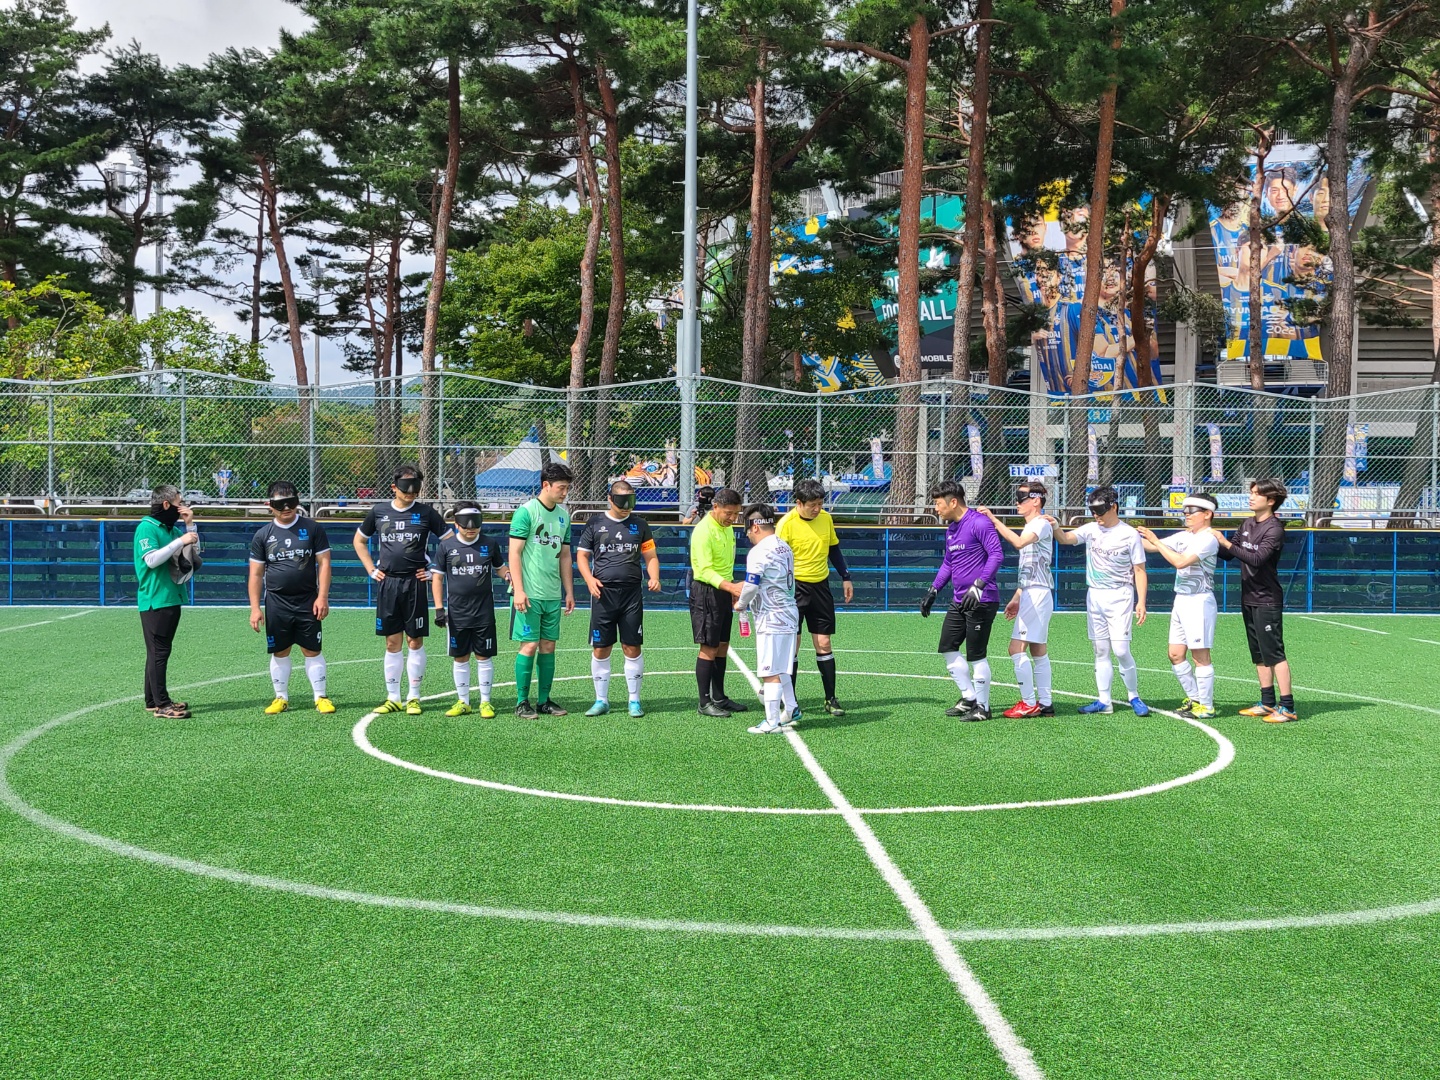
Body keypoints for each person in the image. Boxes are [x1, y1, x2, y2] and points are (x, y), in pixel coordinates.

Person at [354, 465, 450, 716]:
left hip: (415, 583)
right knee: (392, 642)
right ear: (394, 487)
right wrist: (370, 569)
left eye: (416, 487)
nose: (411, 492)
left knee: (414, 640)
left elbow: (451, 543)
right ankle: (393, 697)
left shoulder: (426, 513)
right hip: (388, 583)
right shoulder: (379, 512)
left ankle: (414, 697)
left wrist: (434, 571)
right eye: (406, 487)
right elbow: (359, 540)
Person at [1048, 485, 1150, 716]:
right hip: (1095, 595)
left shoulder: (1129, 534)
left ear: (1114, 507)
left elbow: (1139, 570)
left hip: (1120, 595)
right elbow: (1065, 539)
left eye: (1100, 510)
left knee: (1121, 650)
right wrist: (1054, 525)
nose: (1096, 515)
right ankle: (1104, 701)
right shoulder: (1091, 529)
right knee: (1100, 649)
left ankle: (1133, 695)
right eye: (1092, 510)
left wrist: (1141, 601)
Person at [1212, 478, 1296, 722]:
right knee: (1258, 653)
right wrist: (1208, 538)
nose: (1251, 497)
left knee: (1274, 653)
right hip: (1248, 596)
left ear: (1271, 501)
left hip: (1267, 599)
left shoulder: (1274, 528)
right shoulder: (1247, 523)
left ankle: (1288, 707)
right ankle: (1268, 702)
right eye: (1251, 492)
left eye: (1257, 494)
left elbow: (1257, 559)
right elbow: (1229, 554)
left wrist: (1224, 541)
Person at [576, 480, 661, 718]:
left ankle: (634, 700)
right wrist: (589, 580)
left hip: (631, 594)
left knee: (631, 645)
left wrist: (654, 577)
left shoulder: (640, 524)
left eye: (630, 502)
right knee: (601, 647)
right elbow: (582, 556)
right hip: (603, 594)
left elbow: (651, 556)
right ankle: (601, 700)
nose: (626, 508)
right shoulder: (595, 523)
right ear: (610, 499)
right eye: (622, 502)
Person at [247, 481, 333, 715]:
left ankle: (320, 696)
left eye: (291, 502)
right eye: (280, 504)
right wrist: (255, 608)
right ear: (269, 505)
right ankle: (281, 698)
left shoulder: (313, 528)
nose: (286, 508)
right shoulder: (263, 535)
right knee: (280, 650)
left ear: (298, 500)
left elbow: (324, 563)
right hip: (277, 602)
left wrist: (322, 597)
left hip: (308, 600)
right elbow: (256, 574)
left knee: (311, 649)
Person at [920, 480, 1003, 721]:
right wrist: (933, 590)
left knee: (976, 654)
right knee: (947, 647)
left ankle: (983, 708)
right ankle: (969, 698)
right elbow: (948, 563)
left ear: (953, 502)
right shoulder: (951, 530)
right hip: (959, 600)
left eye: (938, 504)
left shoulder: (979, 522)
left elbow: (996, 555)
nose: (936, 509)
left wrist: (979, 585)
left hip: (982, 599)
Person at [1137, 493, 1220, 719]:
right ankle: (1195, 699)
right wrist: (1122, 533)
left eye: (1191, 511)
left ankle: (1207, 706)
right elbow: (1150, 546)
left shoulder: (1208, 539)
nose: (1186, 515)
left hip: (1199, 600)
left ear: (1207, 514)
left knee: (1200, 656)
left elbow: (1180, 561)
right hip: (1181, 599)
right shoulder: (1184, 535)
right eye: (1185, 511)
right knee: (1175, 654)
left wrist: (1155, 541)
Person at [777, 477, 853, 719]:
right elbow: (777, 560)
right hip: (794, 590)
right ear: (799, 503)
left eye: (820, 504)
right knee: (793, 645)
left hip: (821, 587)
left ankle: (831, 698)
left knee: (824, 643)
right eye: (813, 505)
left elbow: (833, 549)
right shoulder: (786, 524)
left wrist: (845, 576)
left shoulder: (826, 519)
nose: (818, 509)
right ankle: (790, 701)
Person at [978, 481, 1055, 719]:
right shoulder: (1035, 525)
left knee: (1015, 648)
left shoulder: (1040, 523)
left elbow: (1019, 542)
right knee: (1038, 649)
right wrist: (1018, 597)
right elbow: (1029, 569)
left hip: (1037, 593)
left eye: (1022, 498)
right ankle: (1045, 702)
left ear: (1036, 500)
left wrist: (994, 520)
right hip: (1035, 592)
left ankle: (1029, 702)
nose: (1017, 503)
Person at [508, 461, 576, 719]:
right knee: (529, 645)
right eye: (561, 488)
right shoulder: (526, 512)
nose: (564, 493)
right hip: (529, 594)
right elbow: (514, 553)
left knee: (549, 645)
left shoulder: (564, 516)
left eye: (567, 488)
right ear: (546, 485)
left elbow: (565, 556)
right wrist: (519, 590)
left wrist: (569, 592)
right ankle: (521, 702)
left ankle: (544, 701)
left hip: (552, 594)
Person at [431, 507, 509, 718]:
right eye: (466, 526)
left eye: (475, 526)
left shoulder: (489, 544)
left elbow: (500, 567)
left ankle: (485, 702)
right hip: (457, 613)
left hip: (484, 611)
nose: (471, 530)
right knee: (460, 656)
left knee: (484, 656)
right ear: (456, 524)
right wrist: (439, 609)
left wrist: (509, 576)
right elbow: (437, 577)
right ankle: (463, 701)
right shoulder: (446, 546)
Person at [734, 505, 802, 734]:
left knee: (769, 670)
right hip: (789, 612)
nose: (748, 536)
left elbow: (751, 585)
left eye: (748, 530)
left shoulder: (759, 551)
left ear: (755, 527)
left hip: (771, 616)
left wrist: (741, 603)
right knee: (781, 666)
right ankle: (791, 707)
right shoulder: (784, 546)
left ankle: (772, 722)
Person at [133, 484, 198, 719]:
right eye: (179, 503)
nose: (182, 507)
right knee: (159, 652)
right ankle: (162, 705)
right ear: (167, 504)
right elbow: (151, 560)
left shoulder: (171, 529)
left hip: (170, 597)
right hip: (155, 599)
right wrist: (180, 541)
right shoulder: (147, 528)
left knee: (158, 651)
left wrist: (190, 526)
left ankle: (153, 700)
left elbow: (194, 555)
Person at [689, 486, 749, 717]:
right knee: (709, 647)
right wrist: (731, 587)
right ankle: (704, 702)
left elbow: (726, 564)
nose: (733, 518)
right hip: (706, 592)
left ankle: (719, 697)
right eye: (728, 513)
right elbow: (703, 570)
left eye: (736, 514)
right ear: (715, 507)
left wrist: (731, 589)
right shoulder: (703, 530)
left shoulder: (727, 528)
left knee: (723, 645)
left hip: (723, 590)